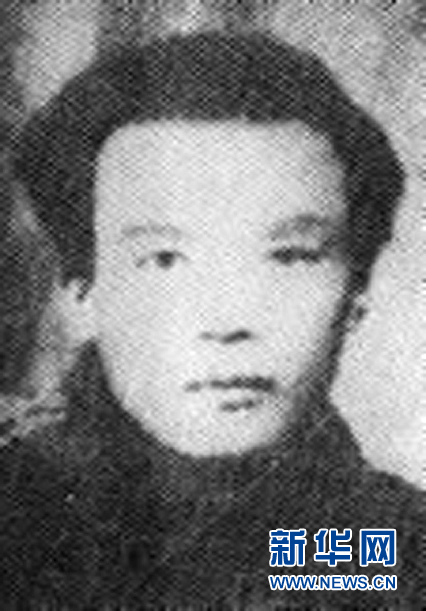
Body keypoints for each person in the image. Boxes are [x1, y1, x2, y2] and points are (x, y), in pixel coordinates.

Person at [1, 31, 422, 609]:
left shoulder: (396, 550)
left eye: (290, 256)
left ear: (356, 296)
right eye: (165, 259)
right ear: (80, 294)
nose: (227, 321)